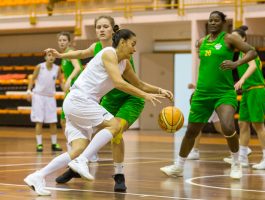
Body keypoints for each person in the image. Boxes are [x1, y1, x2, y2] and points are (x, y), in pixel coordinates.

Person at [24, 28, 173, 196]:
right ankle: (82, 161)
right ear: (122, 43)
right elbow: (118, 83)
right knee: (115, 126)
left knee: (77, 149)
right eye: (133, 44)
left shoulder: (124, 63)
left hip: (77, 103)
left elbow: (140, 84)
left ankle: (38, 176)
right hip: (80, 100)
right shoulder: (109, 53)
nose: (134, 49)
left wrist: (160, 90)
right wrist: (145, 96)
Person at [47, 16, 146, 192]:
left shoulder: (124, 49)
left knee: (116, 131)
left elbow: (131, 82)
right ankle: (76, 165)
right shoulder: (97, 47)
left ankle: (119, 174)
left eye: (105, 26)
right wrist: (62, 55)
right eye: (98, 27)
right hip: (107, 97)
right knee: (89, 133)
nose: (101, 30)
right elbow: (80, 54)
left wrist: (150, 92)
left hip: (127, 95)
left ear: (112, 30)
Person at [160, 10, 257, 179]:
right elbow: (206, 69)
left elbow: (252, 51)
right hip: (202, 93)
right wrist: (196, 89)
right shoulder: (202, 42)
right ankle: (178, 166)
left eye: (216, 20)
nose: (212, 23)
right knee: (191, 131)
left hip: (224, 92)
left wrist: (237, 63)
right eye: (210, 20)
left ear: (223, 23)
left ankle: (236, 163)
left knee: (227, 126)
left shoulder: (229, 38)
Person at [223, 25, 265, 169]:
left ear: (244, 39)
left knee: (258, 124)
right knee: (242, 124)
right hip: (247, 92)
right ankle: (243, 157)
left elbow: (252, 67)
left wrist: (241, 80)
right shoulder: (238, 53)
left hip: (256, 90)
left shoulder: (249, 50)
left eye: (236, 38)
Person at [26, 52, 64, 152]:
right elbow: (32, 79)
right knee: (39, 121)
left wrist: (66, 92)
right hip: (38, 96)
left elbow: (61, 81)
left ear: (55, 58)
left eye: (52, 55)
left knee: (53, 122)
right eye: (49, 55)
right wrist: (29, 91)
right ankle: (39, 144)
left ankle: (54, 143)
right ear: (45, 57)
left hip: (50, 97)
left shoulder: (57, 68)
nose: (51, 57)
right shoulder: (40, 67)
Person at [57, 31, 83, 151]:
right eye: (60, 40)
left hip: (77, 91)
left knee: (77, 122)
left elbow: (78, 67)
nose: (62, 42)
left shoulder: (71, 52)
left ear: (69, 42)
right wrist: (65, 83)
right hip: (69, 92)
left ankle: (83, 150)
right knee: (64, 121)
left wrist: (70, 79)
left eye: (64, 40)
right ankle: (71, 149)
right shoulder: (63, 57)